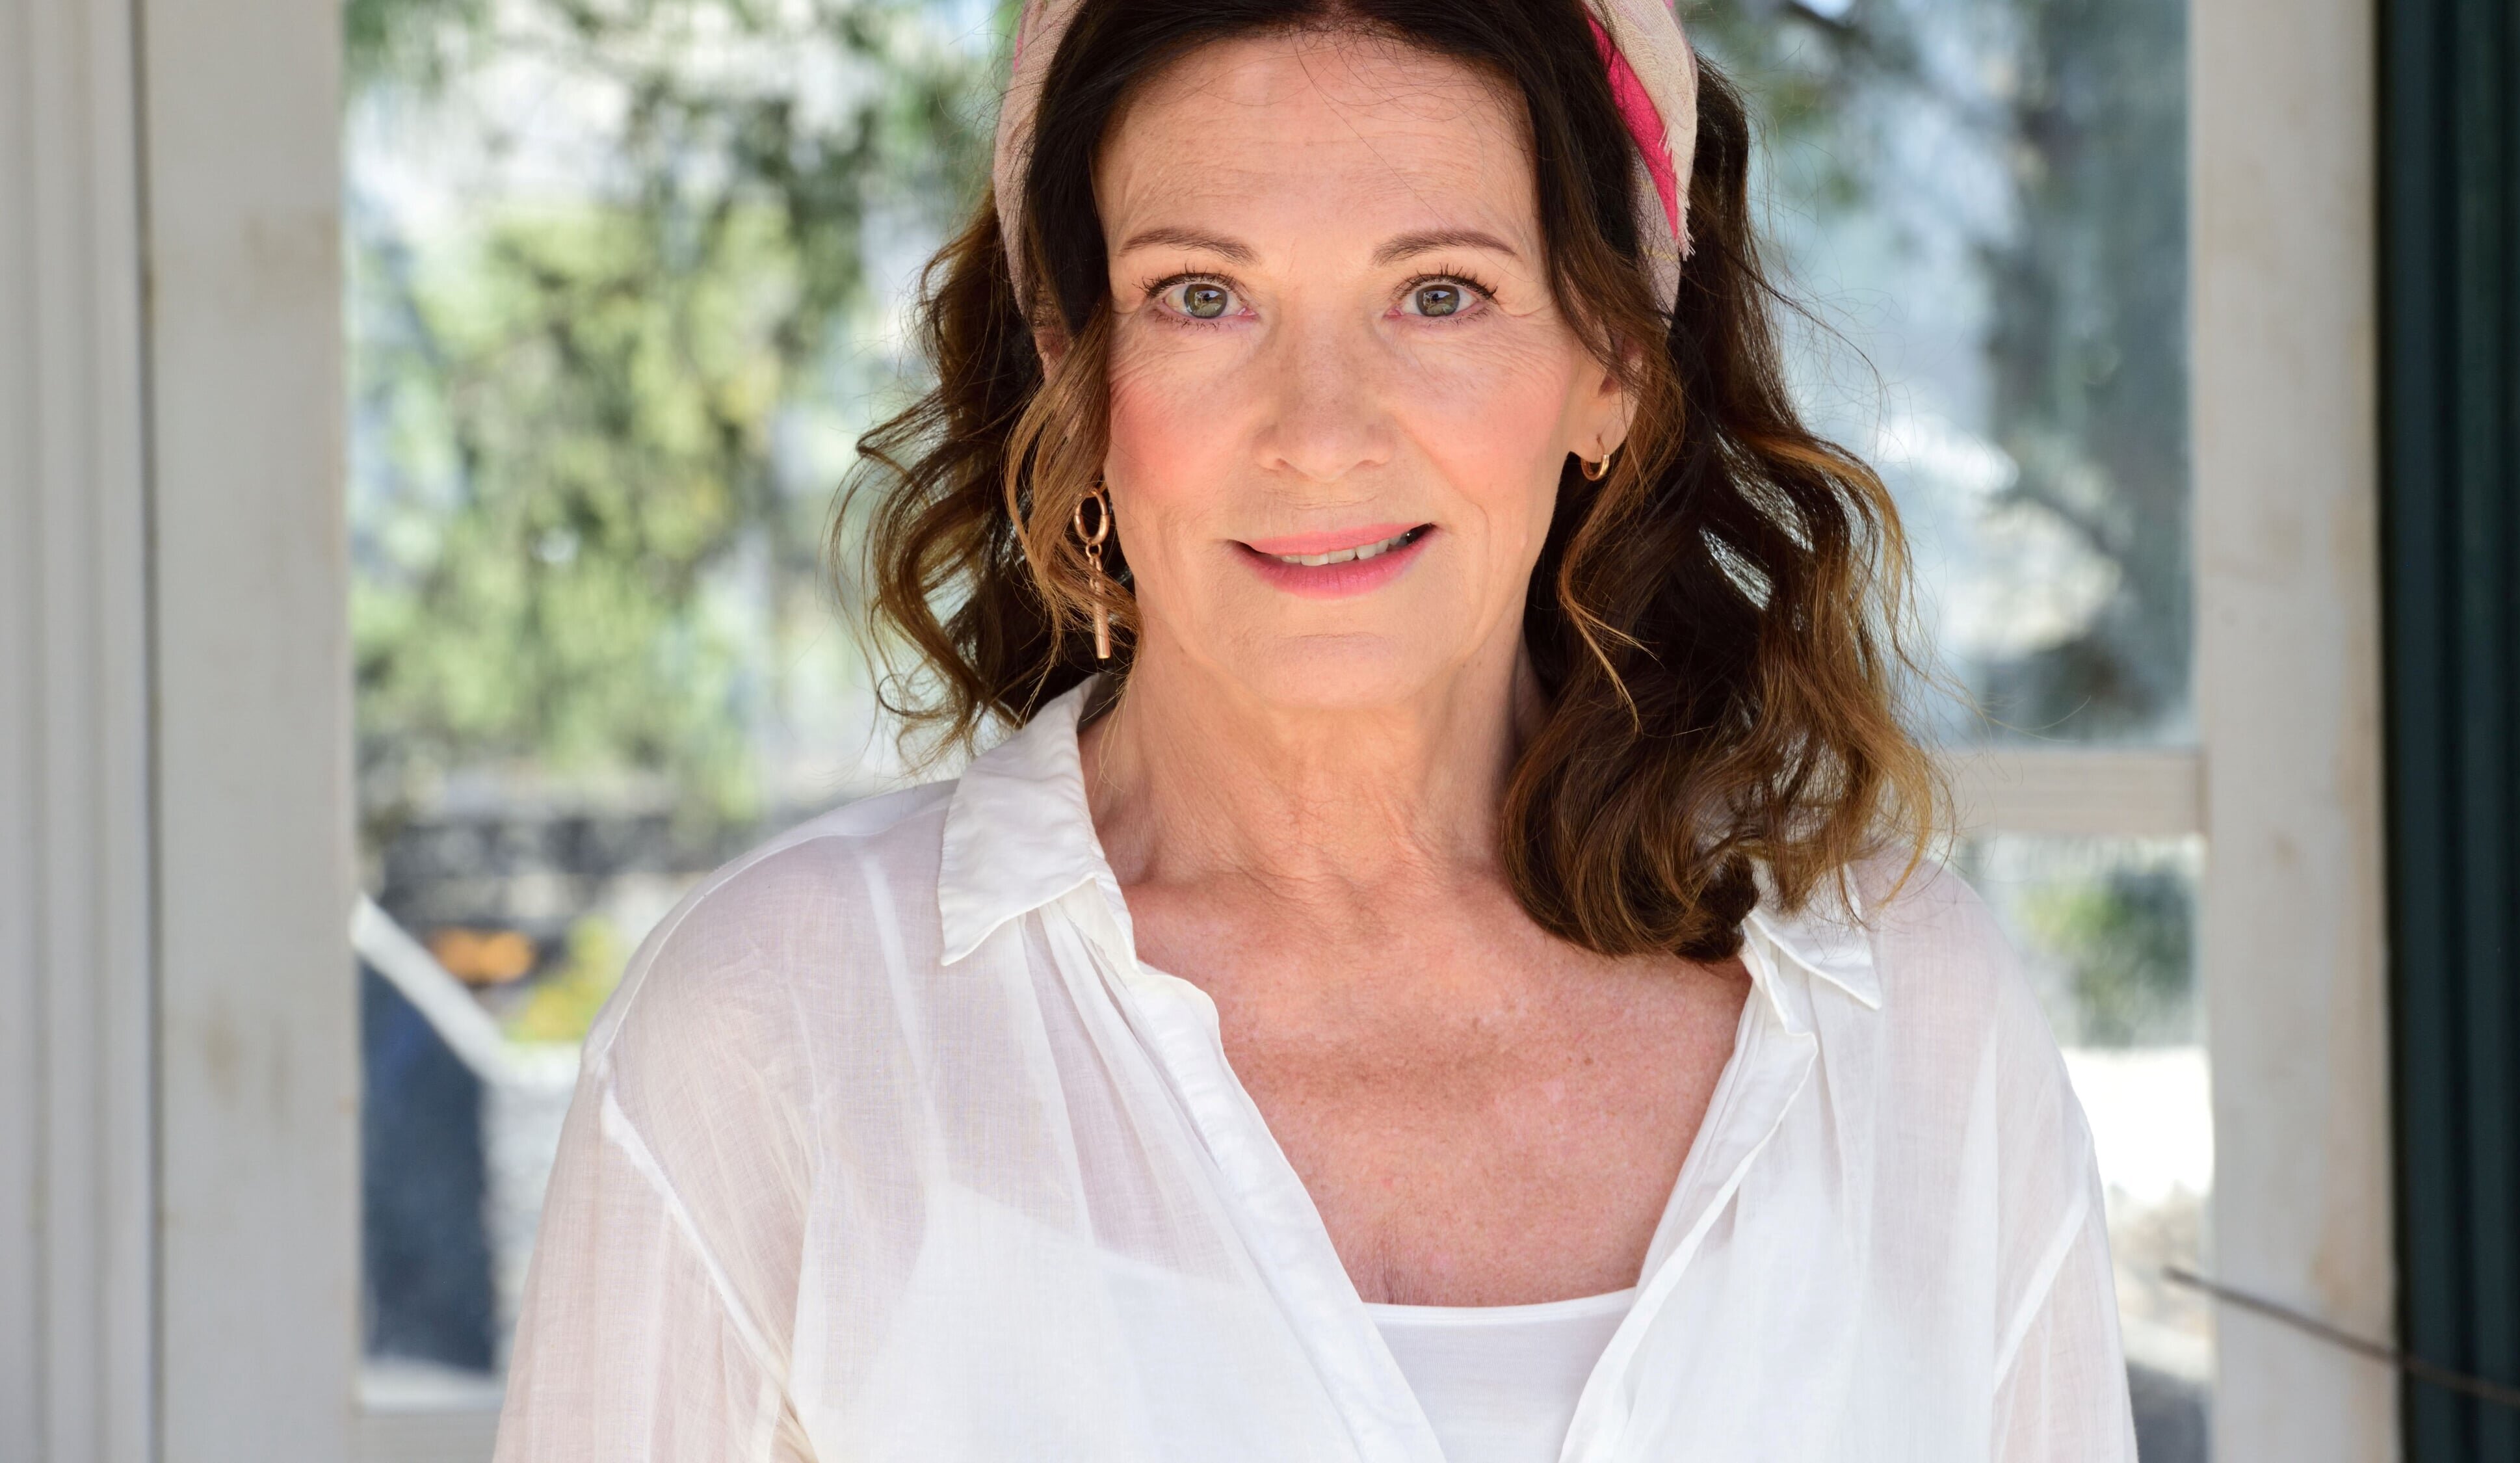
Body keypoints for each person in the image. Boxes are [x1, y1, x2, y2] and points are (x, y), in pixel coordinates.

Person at [494, 0, 2138, 1457]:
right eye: (1203, 296)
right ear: (1074, 367)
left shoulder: (1912, 1022)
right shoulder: (784, 1029)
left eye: (1439, 294)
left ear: (1613, 365)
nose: (1319, 433)